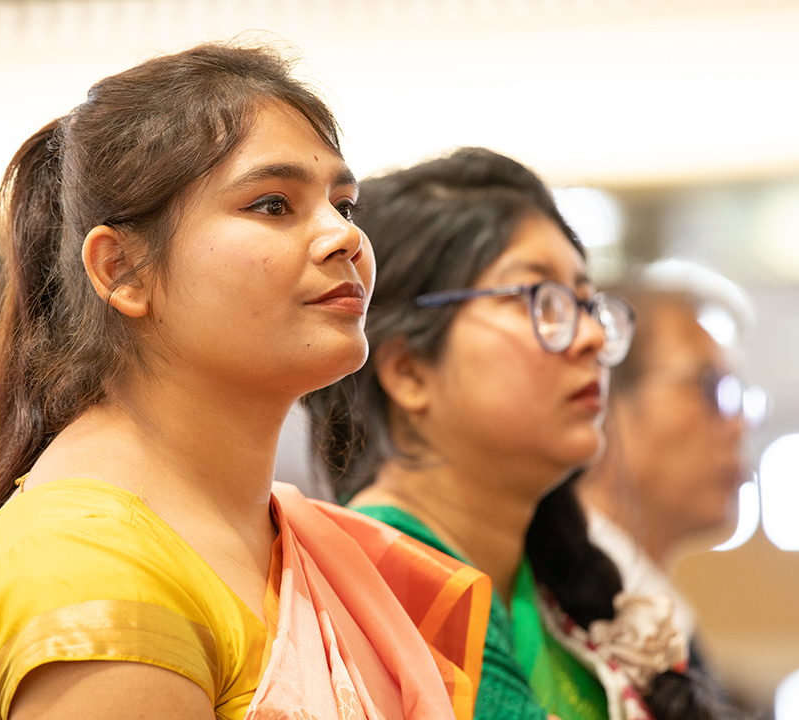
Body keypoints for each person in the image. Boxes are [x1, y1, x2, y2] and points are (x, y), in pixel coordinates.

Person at [0, 44, 491, 720]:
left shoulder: (281, 537)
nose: (343, 238)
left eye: (345, 206)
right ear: (121, 270)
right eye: (272, 204)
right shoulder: (90, 564)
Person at [306, 148, 726, 720]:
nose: (591, 340)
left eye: (586, 303)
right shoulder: (370, 582)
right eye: (539, 300)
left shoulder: (554, 592)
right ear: (408, 371)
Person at [574, 271, 755, 672]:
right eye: (709, 387)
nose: (739, 426)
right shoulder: (563, 616)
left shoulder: (657, 616)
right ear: (601, 397)